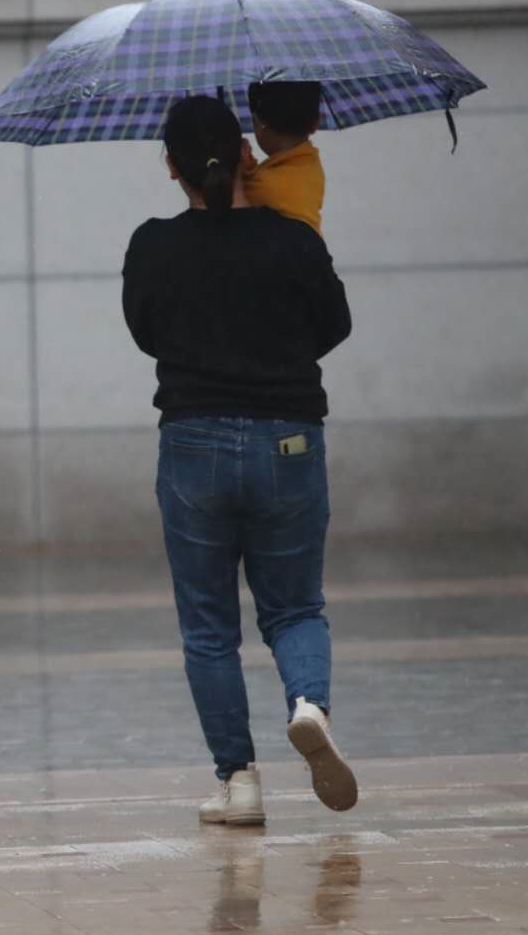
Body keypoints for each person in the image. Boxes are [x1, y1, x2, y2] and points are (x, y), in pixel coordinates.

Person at [122, 94, 356, 826]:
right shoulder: (292, 239)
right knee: (294, 608)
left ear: (171, 166)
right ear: (245, 155)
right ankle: (309, 704)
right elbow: (335, 325)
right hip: (289, 436)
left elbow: (145, 333)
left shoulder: (153, 244)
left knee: (208, 628)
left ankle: (239, 782)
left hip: (193, 442)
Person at [242, 80, 325, 233]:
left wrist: (240, 170)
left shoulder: (259, 186)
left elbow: (234, 201)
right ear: (316, 122)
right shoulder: (311, 164)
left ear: (258, 122)